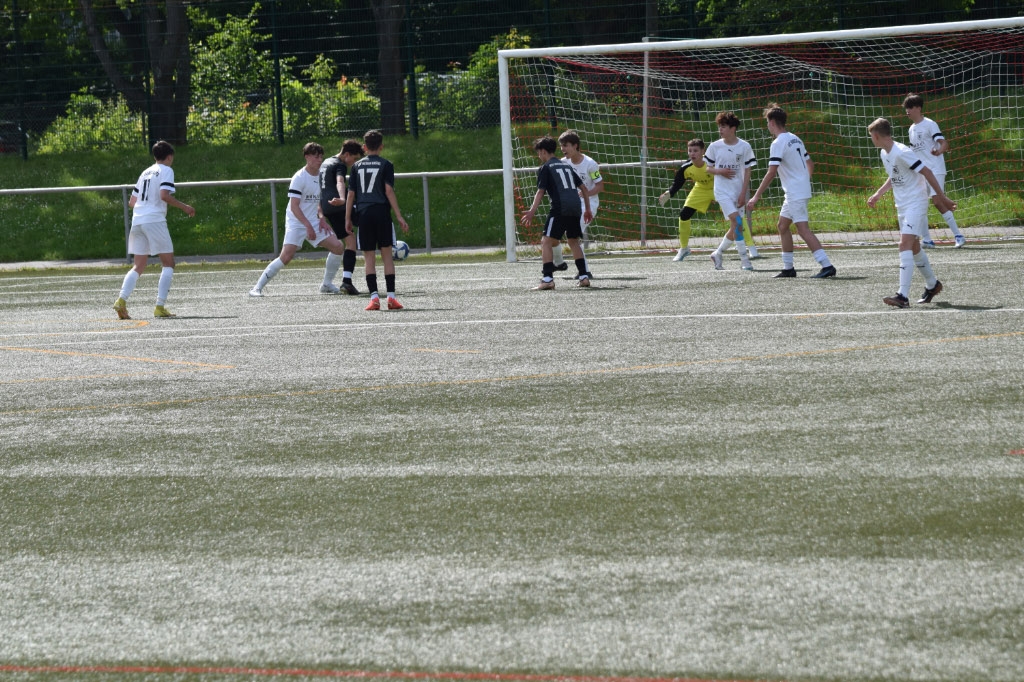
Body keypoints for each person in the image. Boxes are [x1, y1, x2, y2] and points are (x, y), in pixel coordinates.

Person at [867, 117, 955, 308]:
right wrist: (878, 194)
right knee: (914, 247)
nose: (871, 140)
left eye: (871, 136)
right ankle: (932, 284)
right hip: (902, 205)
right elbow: (894, 176)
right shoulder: (885, 153)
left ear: (876, 136)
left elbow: (927, 172)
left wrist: (942, 197)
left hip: (916, 202)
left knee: (904, 244)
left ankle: (902, 296)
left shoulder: (902, 152)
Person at [248, 142, 351, 298]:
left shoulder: (321, 176)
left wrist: (321, 219)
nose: (319, 160)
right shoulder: (299, 177)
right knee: (286, 257)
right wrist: (308, 226)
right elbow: (294, 206)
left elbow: (318, 200)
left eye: (321, 156)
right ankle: (256, 288)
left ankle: (326, 284)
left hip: (313, 221)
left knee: (338, 247)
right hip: (296, 222)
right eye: (316, 157)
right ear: (307, 157)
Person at [746, 103, 836, 279]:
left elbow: (771, 172)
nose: (767, 126)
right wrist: (803, 181)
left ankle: (827, 265)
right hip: (797, 191)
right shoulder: (795, 138)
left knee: (803, 229)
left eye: (767, 122)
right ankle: (788, 268)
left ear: (772, 122)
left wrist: (756, 196)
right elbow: (810, 164)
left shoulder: (778, 142)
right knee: (782, 226)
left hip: (795, 192)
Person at [112, 140, 195, 320]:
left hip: (138, 220)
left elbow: (132, 202)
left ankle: (121, 300)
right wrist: (185, 207)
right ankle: (160, 306)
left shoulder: (145, 172)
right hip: (154, 220)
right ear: (169, 157)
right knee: (168, 263)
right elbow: (164, 195)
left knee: (138, 265)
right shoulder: (166, 170)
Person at [345, 129, 410, 310]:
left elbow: (351, 195)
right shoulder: (386, 164)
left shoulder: (356, 166)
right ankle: (391, 297)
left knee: (369, 258)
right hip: (382, 213)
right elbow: (388, 191)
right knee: (387, 256)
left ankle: (374, 298)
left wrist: (347, 218)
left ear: (364, 147)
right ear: (381, 146)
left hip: (364, 215)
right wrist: (399, 216)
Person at [519, 136, 593, 289]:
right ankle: (584, 277)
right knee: (573, 241)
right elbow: (584, 189)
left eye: (539, 153)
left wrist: (532, 211)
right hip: (575, 207)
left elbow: (540, 192)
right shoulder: (567, 166)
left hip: (560, 207)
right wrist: (587, 209)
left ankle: (547, 279)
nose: (539, 156)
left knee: (546, 241)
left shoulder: (546, 167)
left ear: (543, 151)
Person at [903, 93, 966, 248]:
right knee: (920, 204)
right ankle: (927, 240)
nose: (907, 111)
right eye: (906, 108)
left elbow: (944, 143)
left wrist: (939, 151)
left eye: (910, 107)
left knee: (937, 201)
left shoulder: (930, 124)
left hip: (935, 169)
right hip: (922, 172)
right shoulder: (911, 129)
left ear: (918, 108)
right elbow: (914, 152)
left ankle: (959, 236)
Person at [705, 112, 757, 271]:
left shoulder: (745, 146)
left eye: (723, 126)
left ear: (733, 128)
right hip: (722, 192)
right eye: (719, 126)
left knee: (736, 226)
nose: (720, 129)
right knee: (738, 222)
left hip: (738, 191)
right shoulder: (714, 146)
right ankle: (745, 260)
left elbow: (747, 171)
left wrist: (743, 193)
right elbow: (708, 168)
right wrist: (720, 171)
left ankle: (717, 253)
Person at [318, 139, 364, 295]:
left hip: (327, 207)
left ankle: (337, 281)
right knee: (354, 238)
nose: (354, 163)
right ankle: (347, 281)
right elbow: (340, 181)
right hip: (338, 206)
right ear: (347, 154)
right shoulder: (340, 165)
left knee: (347, 242)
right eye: (354, 158)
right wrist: (343, 198)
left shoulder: (326, 162)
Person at [553, 129, 601, 278]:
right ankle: (560, 263)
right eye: (561, 146)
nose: (563, 149)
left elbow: (600, 186)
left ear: (575, 146)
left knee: (572, 236)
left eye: (566, 145)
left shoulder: (590, 164)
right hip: (570, 205)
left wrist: (586, 193)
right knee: (556, 235)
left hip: (588, 204)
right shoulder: (562, 163)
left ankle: (583, 271)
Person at [658, 138, 714, 262]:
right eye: (690, 151)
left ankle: (748, 245)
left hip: (719, 188)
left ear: (703, 151)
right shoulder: (686, 167)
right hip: (701, 189)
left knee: (734, 213)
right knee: (684, 215)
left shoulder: (712, 162)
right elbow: (678, 182)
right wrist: (669, 192)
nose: (692, 153)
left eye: (695, 150)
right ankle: (684, 248)